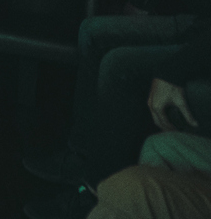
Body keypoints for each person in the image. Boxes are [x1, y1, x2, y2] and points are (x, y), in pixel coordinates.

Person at [22, 12, 211, 219]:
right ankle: (81, 156)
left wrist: (172, 70)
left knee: (118, 67)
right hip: (200, 21)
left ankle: (92, 193)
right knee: (91, 32)